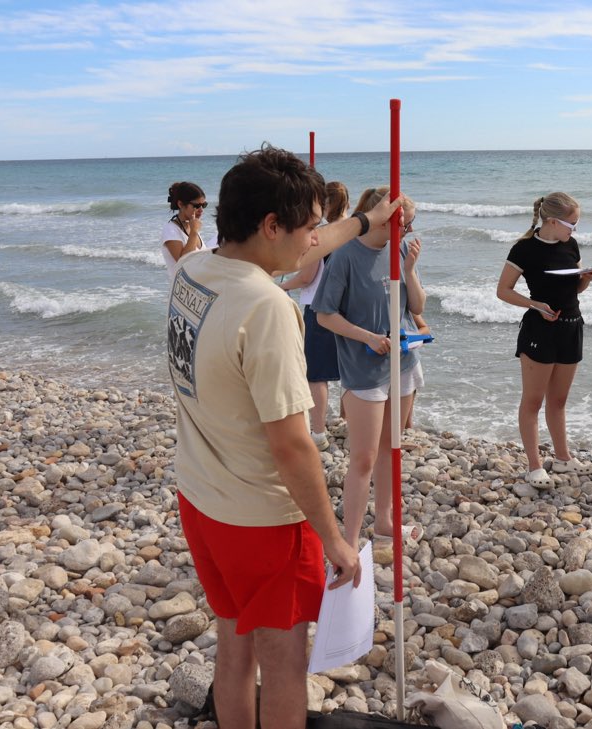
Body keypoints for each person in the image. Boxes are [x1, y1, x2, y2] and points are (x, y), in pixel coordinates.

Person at [167, 144, 400, 729]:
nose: (313, 241)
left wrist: (371, 221)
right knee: (285, 665)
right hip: (262, 523)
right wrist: (335, 542)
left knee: (234, 641)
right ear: (272, 226)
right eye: (308, 227)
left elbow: (313, 242)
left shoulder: (195, 266)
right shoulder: (267, 307)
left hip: (200, 499)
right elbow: (292, 444)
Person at [312, 187, 425, 549]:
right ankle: (348, 540)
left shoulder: (402, 251)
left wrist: (409, 269)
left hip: (404, 361)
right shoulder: (345, 255)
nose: (407, 231)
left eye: (409, 224)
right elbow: (325, 315)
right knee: (364, 457)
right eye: (403, 223)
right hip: (364, 369)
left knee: (392, 448)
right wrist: (367, 337)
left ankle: (386, 524)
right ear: (383, 217)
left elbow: (418, 306)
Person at [496, 192, 592, 486]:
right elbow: (503, 290)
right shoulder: (524, 249)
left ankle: (564, 459)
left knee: (559, 400)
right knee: (533, 401)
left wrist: (586, 280)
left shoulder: (571, 244)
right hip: (539, 330)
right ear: (552, 221)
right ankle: (534, 466)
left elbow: (573, 290)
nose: (575, 230)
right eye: (572, 223)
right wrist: (535, 305)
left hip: (571, 325)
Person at [280, 180, 350, 449]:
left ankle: (318, 432)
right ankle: (353, 424)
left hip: (319, 306)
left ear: (325, 204)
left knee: (316, 375)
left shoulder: (321, 235)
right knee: (349, 370)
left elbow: (307, 276)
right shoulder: (353, 231)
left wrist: (281, 285)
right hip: (350, 307)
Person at [162, 181, 210, 280]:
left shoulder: (191, 225)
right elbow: (183, 263)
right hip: (183, 293)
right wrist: (194, 232)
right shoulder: (170, 230)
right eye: (196, 206)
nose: (201, 210)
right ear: (180, 204)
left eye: (203, 205)